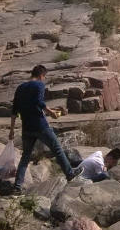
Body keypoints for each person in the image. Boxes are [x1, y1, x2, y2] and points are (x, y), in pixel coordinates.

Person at [9, 65, 75, 193]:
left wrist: (11, 130)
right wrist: (51, 112)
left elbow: (14, 111)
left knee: (25, 158)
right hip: (40, 126)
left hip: (26, 128)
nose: (44, 80)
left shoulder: (20, 88)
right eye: (44, 78)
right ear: (41, 76)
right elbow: (39, 101)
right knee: (57, 149)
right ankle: (70, 173)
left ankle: (17, 188)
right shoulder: (39, 85)